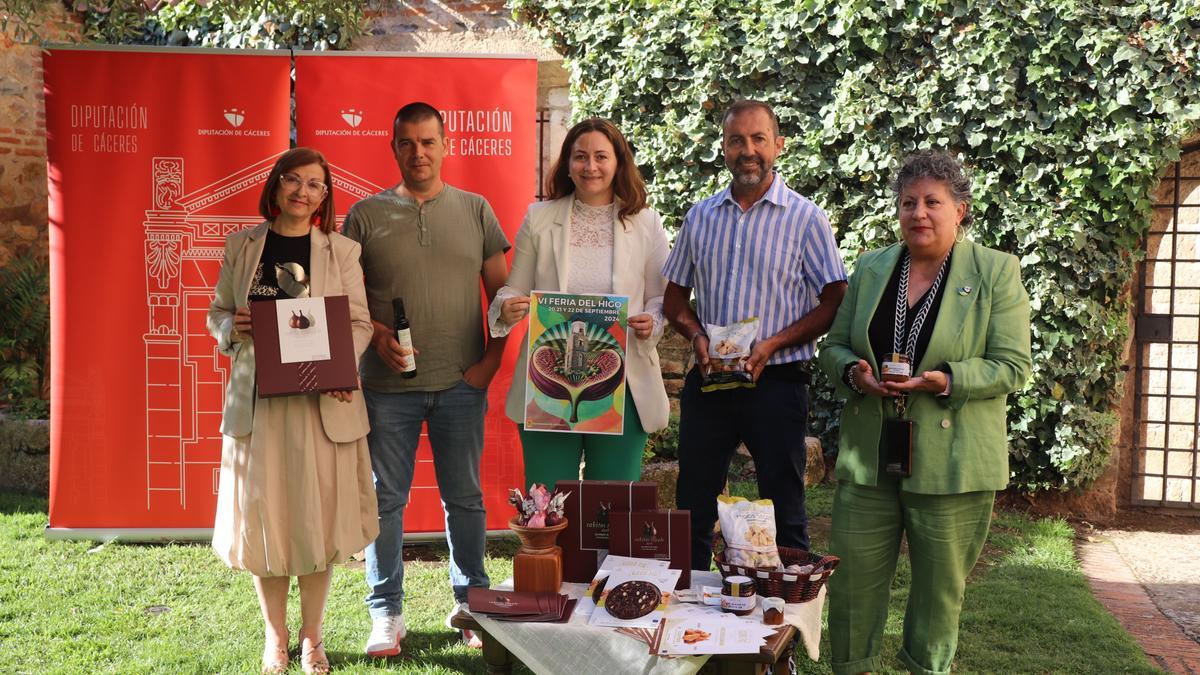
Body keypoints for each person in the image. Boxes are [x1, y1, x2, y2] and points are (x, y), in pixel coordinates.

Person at [817, 150, 1032, 675]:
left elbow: (1011, 366)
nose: (919, 213)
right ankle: (852, 668)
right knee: (850, 585)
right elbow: (835, 347)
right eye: (908, 202)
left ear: (960, 210)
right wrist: (854, 375)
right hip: (870, 455)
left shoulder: (994, 271)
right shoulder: (870, 267)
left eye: (933, 202)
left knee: (938, 598)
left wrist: (949, 380)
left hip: (952, 461)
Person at [342, 102, 510, 657]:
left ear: (445, 144)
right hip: (387, 388)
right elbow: (342, 298)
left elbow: (504, 299)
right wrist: (375, 333)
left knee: (464, 499)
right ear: (393, 148)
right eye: (408, 143)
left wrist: (490, 362)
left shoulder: (476, 210)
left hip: (460, 383)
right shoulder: (364, 216)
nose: (419, 153)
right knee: (383, 500)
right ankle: (385, 612)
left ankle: (472, 604)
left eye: (429, 142)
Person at [207, 147, 378, 674]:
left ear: (326, 197)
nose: (303, 193)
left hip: (318, 403)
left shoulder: (342, 250)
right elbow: (217, 312)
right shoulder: (242, 246)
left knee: (316, 522)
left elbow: (359, 324)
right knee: (267, 524)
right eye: (294, 181)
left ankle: (313, 640)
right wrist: (227, 328)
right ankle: (275, 639)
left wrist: (341, 370)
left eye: (315, 185)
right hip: (259, 405)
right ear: (277, 185)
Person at [662, 99, 848, 570]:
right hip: (711, 379)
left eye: (758, 139)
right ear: (723, 149)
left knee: (785, 505)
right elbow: (674, 299)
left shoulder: (806, 218)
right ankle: (690, 616)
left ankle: (786, 619)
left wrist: (773, 344)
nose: (748, 150)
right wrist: (696, 336)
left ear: (778, 146)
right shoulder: (700, 217)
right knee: (692, 504)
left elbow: (833, 299)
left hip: (779, 381)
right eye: (737, 140)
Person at [488, 118, 671, 488]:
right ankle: (553, 550)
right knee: (548, 503)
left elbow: (661, 298)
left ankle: (607, 553)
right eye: (580, 157)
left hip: (623, 387)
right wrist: (506, 307)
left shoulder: (646, 222)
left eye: (601, 156)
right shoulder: (539, 219)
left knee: (614, 507)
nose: (591, 167)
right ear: (567, 164)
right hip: (549, 387)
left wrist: (653, 321)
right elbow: (512, 288)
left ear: (619, 162)